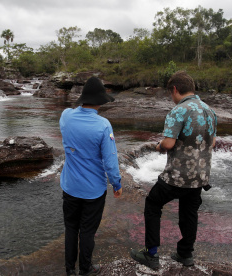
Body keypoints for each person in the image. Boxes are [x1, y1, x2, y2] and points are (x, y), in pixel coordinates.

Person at [130, 71, 217, 270]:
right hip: (199, 177)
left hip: (176, 176)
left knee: (152, 204)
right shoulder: (209, 110)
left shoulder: (178, 111)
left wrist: (158, 146)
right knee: (189, 213)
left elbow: (168, 144)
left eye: (171, 93)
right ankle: (185, 254)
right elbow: (211, 142)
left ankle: (151, 254)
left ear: (175, 89)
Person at [60, 76, 123, 276]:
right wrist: (116, 183)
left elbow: (70, 113)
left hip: (70, 186)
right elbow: (110, 161)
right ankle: (85, 269)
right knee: (87, 231)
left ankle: (70, 269)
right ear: (100, 101)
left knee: (71, 228)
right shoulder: (103, 125)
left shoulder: (66, 117)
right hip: (93, 191)